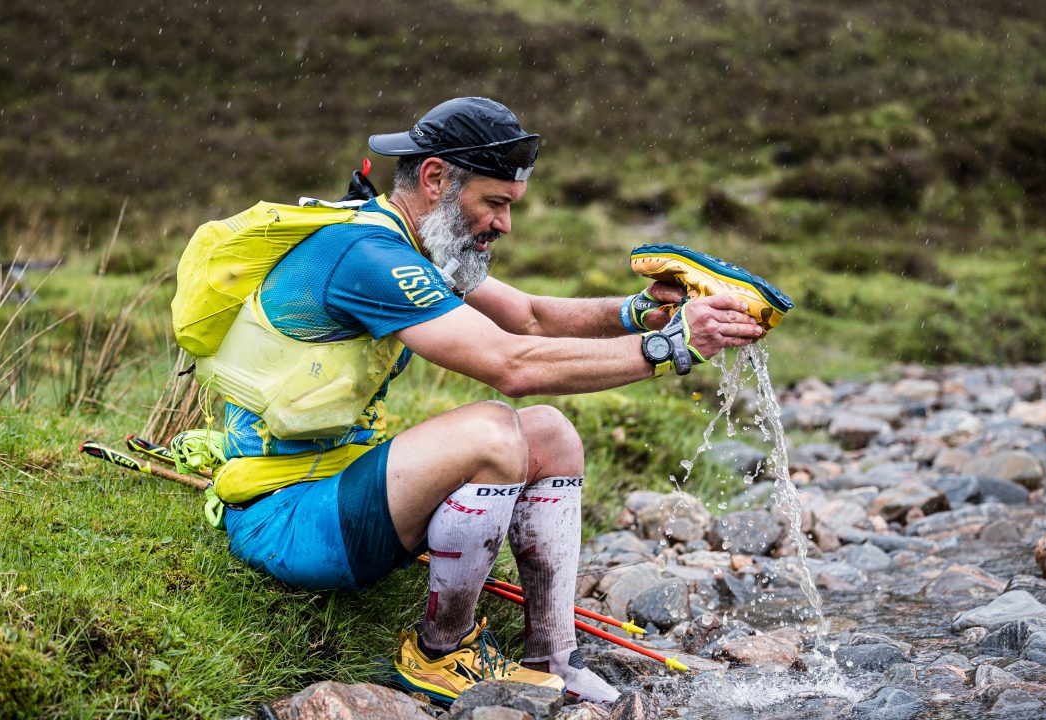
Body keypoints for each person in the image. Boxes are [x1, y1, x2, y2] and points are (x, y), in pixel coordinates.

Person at [213, 97, 764, 705]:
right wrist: (671, 348)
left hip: (340, 487)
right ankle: (439, 652)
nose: (504, 225)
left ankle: (551, 661)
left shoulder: (415, 244)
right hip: (284, 518)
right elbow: (511, 365)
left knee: (550, 433)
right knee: (494, 431)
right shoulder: (367, 257)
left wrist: (641, 315)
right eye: (494, 204)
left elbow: (527, 317)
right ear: (435, 179)